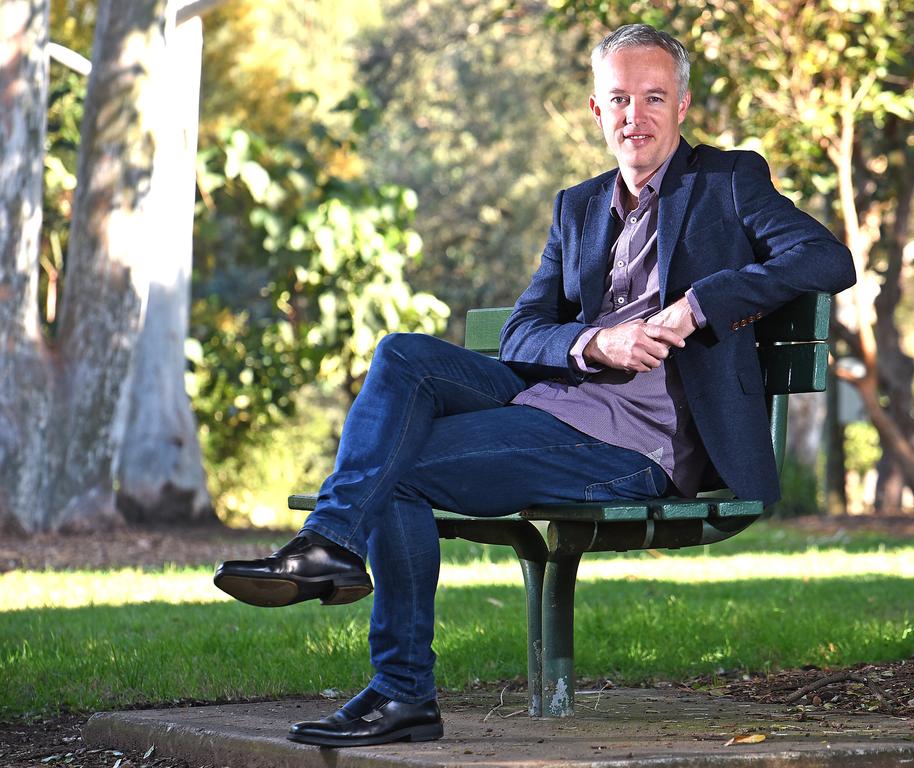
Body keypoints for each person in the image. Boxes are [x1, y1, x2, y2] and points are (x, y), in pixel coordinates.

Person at [214, 23, 856, 748]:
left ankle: (398, 690)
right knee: (402, 354)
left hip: (629, 445)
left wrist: (701, 303)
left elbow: (824, 259)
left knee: (395, 475)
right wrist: (594, 341)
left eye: (653, 98)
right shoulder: (578, 206)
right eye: (619, 99)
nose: (634, 116)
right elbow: (522, 333)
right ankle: (330, 548)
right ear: (595, 110)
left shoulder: (727, 183)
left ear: (681, 105)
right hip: (546, 403)